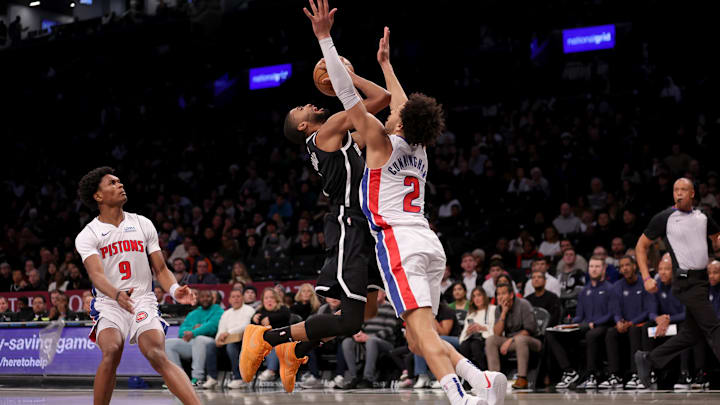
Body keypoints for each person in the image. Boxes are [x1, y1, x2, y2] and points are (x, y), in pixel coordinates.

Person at [306, 4, 505, 405]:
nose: (395, 111)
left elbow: (348, 95)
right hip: (429, 243)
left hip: (400, 243)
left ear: (398, 122)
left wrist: (325, 39)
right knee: (417, 338)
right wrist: (385, 64)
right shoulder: (421, 146)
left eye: (397, 113)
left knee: (424, 336)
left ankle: (459, 398)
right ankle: (481, 380)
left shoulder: (380, 143)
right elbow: (400, 100)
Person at [240, 0, 392, 393]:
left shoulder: (343, 139)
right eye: (301, 109)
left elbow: (382, 107)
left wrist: (353, 76)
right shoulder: (322, 135)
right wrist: (348, 77)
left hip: (369, 225)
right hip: (349, 224)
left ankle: (294, 347)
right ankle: (268, 339)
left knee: (366, 311)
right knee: (352, 320)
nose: (308, 102)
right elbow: (375, 103)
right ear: (304, 126)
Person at [74, 166, 199, 405]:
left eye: (119, 181)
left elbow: (161, 269)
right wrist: (116, 293)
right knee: (111, 351)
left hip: (142, 299)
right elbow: (96, 275)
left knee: (155, 353)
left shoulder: (142, 223)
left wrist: (174, 290)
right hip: (109, 302)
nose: (120, 185)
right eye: (112, 183)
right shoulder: (88, 234)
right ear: (98, 196)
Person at [635, 178, 720, 389]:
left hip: (702, 280)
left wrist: (717, 243)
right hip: (685, 281)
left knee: (692, 334)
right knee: (714, 327)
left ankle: (649, 359)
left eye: (683, 190)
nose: (679, 193)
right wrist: (646, 277)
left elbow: (716, 235)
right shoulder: (665, 217)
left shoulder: (702, 216)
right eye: (676, 190)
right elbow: (640, 246)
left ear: (692, 194)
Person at [548, 256, 613, 390]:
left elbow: (611, 314)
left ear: (604, 269)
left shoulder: (610, 288)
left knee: (591, 334)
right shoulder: (584, 291)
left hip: (603, 326)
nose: (593, 270)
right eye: (591, 267)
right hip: (585, 326)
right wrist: (569, 323)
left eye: (597, 267)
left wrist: (593, 323)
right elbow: (580, 316)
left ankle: (591, 375)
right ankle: (569, 371)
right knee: (551, 333)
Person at [601, 255, 654, 390]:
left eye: (627, 265)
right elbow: (615, 309)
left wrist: (631, 323)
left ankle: (636, 374)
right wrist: (618, 322)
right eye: (622, 266)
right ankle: (614, 374)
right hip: (624, 325)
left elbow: (648, 310)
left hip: (639, 324)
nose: (624, 269)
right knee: (611, 332)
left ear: (634, 266)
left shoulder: (644, 283)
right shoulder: (617, 286)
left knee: (634, 330)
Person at [643, 254, 691, 390]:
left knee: (686, 329)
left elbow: (686, 312)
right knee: (646, 327)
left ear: (674, 270)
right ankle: (649, 372)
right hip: (663, 323)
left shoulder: (683, 285)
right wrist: (658, 319)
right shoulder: (655, 285)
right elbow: (651, 311)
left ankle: (684, 373)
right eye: (660, 269)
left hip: (680, 322)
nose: (662, 272)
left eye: (667, 269)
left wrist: (668, 319)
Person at [339, 291, 399, 389]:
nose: (375, 294)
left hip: (385, 342)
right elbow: (361, 326)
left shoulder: (390, 307)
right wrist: (358, 334)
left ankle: (368, 378)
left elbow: (390, 329)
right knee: (347, 342)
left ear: (384, 294)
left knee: (372, 341)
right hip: (366, 339)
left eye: (378, 292)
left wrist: (370, 337)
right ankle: (354, 377)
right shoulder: (368, 308)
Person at [485, 283, 541, 389]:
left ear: (511, 295)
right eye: (498, 294)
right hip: (512, 342)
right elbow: (497, 333)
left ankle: (522, 378)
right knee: (491, 340)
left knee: (520, 340)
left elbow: (529, 330)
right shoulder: (499, 309)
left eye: (503, 293)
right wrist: (503, 313)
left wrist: (509, 340)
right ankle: (495, 378)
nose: (500, 297)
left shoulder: (524, 304)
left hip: (532, 341)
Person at [165, 290, 223, 386]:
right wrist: (193, 329)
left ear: (212, 299)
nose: (205, 299)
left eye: (208, 296)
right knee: (168, 343)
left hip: (210, 341)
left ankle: (198, 378)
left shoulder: (218, 310)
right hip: (192, 342)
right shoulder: (193, 313)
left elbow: (212, 327)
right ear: (198, 299)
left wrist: (194, 332)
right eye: (202, 297)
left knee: (199, 339)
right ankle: (179, 378)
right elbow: (181, 331)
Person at [202, 289, 255, 389]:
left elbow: (246, 326)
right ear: (229, 300)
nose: (236, 299)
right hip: (226, 341)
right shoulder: (226, 313)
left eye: (238, 296)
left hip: (244, 342)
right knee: (211, 345)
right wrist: (218, 339)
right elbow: (221, 329)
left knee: (232, 345)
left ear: (242, 298)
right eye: (233, 297)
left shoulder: (249, 310)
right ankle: (212, 378)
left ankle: (238, 378)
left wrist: (228, 333)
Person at [253, 288, 292, 383]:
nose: (269, 300)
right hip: (262, 342)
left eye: (272, 297)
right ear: (262, 300)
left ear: (277, 299)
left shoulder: (283, 309)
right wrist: (253, 319)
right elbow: (253, 325)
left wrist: (270, 318)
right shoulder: (259, 311)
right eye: (266, 298)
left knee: (271, 343)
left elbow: (285, 316)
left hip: (282, 341)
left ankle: (271, 371)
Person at [459, 287, 495, 370]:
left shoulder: (493, 309)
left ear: (484, 296)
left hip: (485, 338)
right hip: (471, 338)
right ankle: (467, 376)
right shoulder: (471, 313)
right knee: (464, 346)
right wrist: (468, 332)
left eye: (479, 295)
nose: (476, 298)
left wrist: (482, 328)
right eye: (474, 296)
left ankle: (483, 372)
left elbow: (496, 330)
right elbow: (463, 335)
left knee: (475, 345)